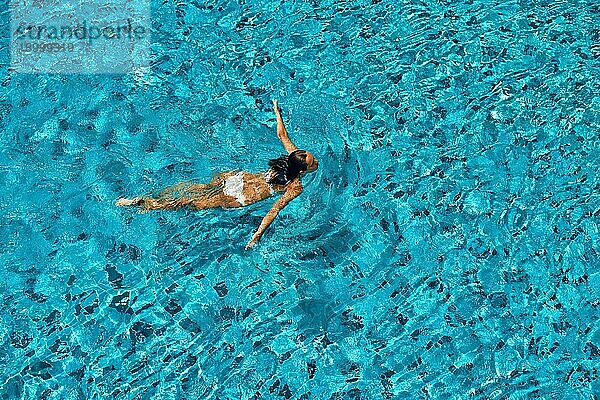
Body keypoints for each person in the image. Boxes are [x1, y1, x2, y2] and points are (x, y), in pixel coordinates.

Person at [116, 99, 319, 249]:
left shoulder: (292, 155)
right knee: (189, 203)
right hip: (239, 196)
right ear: (301, 171)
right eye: (312, 162)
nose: (316, 161)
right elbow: (273, 210)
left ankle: (143, 199)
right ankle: (146, 204)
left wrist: (276, 110)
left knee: (195, 189)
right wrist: (256, 236)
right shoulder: (295, 187)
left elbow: (281, 134)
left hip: (235, 178)